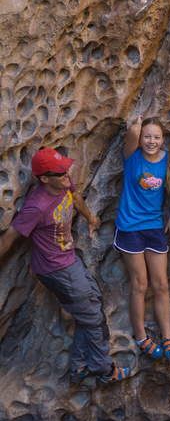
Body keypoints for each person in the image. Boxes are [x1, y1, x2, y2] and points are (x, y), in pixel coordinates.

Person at [0, 148, 132, 384]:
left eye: (66, 169)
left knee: (92, 306)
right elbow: (10, 237)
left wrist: (91, 218)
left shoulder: (63, 184)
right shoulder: (36, 207)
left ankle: (79, 368)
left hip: (68, 260)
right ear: (44, 178)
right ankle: (103, 370)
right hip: (55, 269)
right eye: (60, 173)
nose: (66, 175)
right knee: (93, 318)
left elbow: (76, 196)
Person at [114, 115, 170, 362]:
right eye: (147, 136)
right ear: (141, 139)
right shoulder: (132, 156)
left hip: (154, 227)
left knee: (161, 284)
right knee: (140, 284)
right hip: (130, 227)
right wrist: (136, 124)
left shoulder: (167, 161)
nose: (151, 141)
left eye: (156, 137)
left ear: (163, 140)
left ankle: (167, 336)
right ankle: (141, 336)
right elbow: (131, 134)